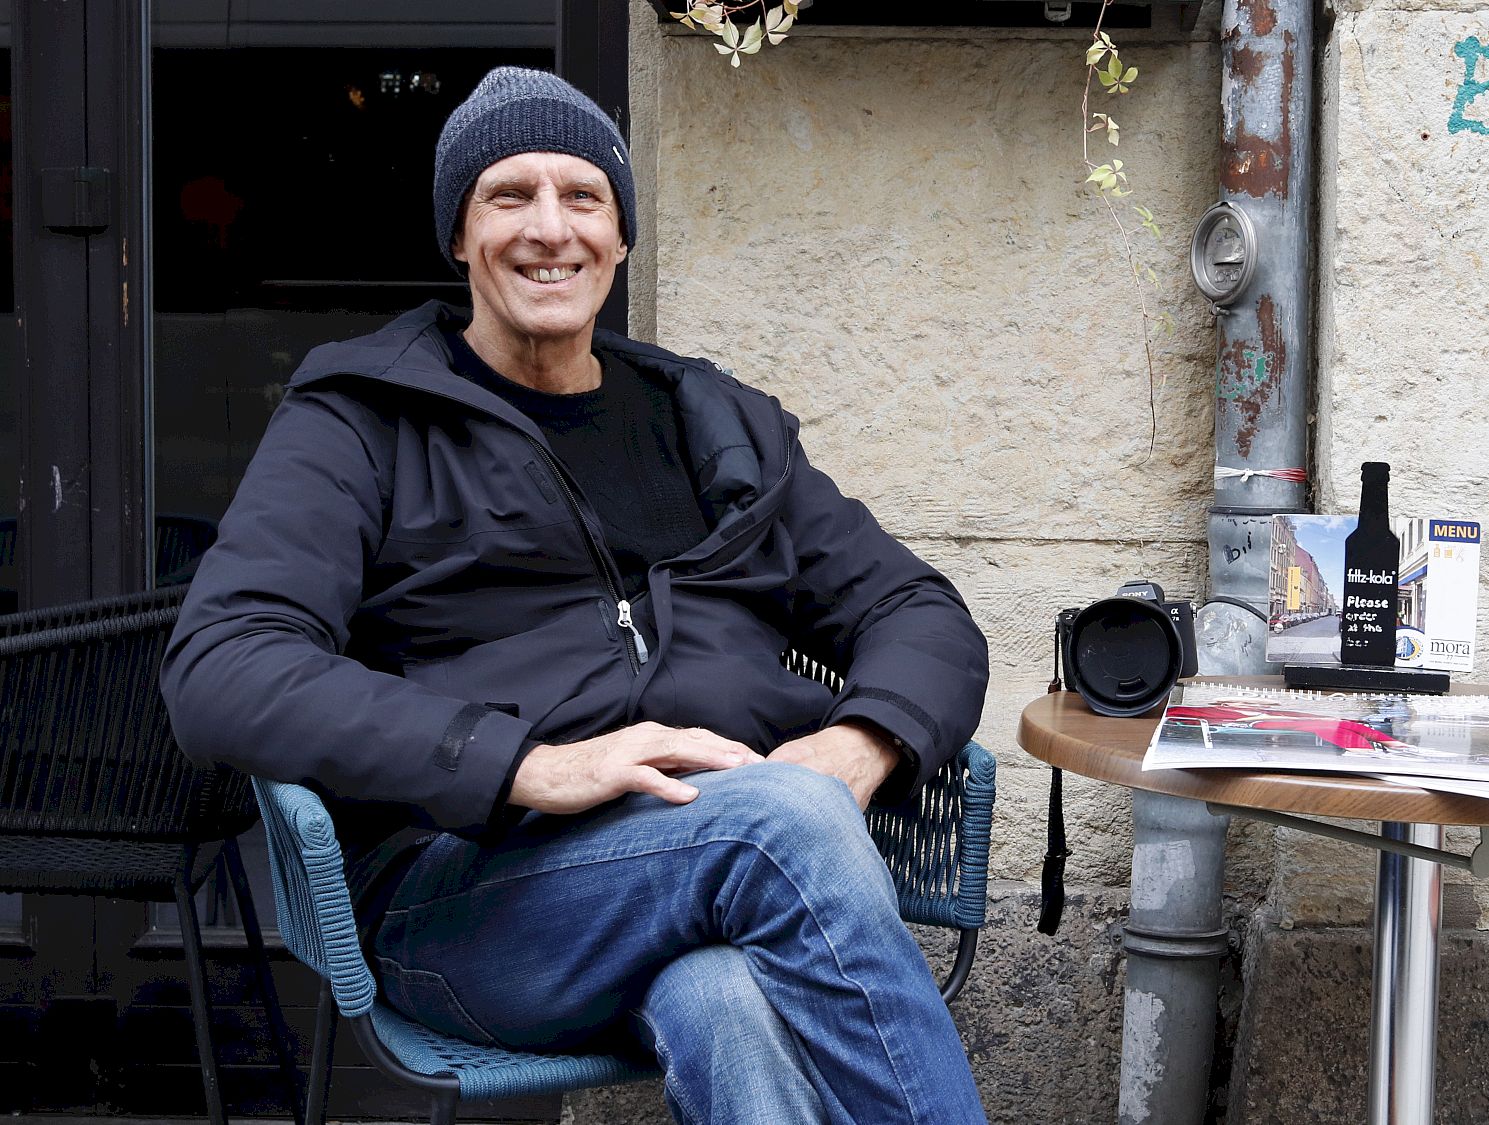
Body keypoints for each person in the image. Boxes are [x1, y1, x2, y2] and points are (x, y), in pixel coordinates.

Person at [162, 67, 990, 1125]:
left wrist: (857, 747)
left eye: (582, 196)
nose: (548, 229)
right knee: (779, 825)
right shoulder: (363, 421)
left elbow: (918, 613)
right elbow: (222, 665)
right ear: (459, 236)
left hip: (717, 868)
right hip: (467, 898)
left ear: (621, 236)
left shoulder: (715, 427)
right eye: (509, 196)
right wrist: (527, 763)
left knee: (725, 1000)